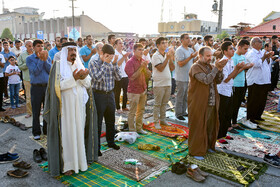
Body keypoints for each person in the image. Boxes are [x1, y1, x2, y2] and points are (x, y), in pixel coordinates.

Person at [44, 42, 98, 176]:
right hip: (65, 109)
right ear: (64, 52)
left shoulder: (79, 64)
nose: (73, 52)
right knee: (68, 135)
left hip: (79, 107)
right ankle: (67, 165)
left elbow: (88, 84)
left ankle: (80, 163)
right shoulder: (57, 67)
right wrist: (73, 78)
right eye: (70, 50)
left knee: (79, 132)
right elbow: (57, 87)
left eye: (75, 50)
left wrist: (83, 77)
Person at [188, 46, 225, 160]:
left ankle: (207, 146)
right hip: (199, 102)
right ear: (200, 56)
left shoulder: (210, 66)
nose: (210, 58)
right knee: (199, 126)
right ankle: (197, 151)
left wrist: (220, 69)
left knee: (210, 126)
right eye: (207, 56)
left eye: (211, 56)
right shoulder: (195, 67)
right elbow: (206, 80)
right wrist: (215, 68)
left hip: (211, 102)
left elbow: (218, 80)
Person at [89, 44, 121, 156]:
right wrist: (106, 64)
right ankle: (96, 148)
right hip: (99, 95)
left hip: (110, 94)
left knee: (111, 121)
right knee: (97, 123)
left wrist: (115, 64)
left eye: (112, 56)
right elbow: (97, 78)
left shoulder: (111, 62)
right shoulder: (94, 62)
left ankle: (111, 142)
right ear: (102, 53)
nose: (110, 58)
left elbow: (118, 77)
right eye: (108, 56)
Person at [217, 41, 246, 144]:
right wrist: (238, 68)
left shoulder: (231, 61)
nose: (233, 50)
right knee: (221, 114)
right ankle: (218, 135)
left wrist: (239, 68)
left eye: (233, 48)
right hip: (222, 91)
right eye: (230, 49)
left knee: (228, 114)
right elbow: (225, 79)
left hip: (229, 90)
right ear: (225, 51)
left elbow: (232, 76)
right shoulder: (222, 62)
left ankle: (224, 134)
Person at [26, 40, 52, 140]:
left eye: (42, 46)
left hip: (46, 87)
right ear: (33, 47)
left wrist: (45, 60)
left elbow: (50, 70)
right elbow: (35, 72)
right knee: (36, 111)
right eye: (38, 46)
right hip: (36, 87)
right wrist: (41, 60)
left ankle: (46, 130)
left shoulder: (47, 57)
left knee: (47, 110)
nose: (40, 48)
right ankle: (36, 132)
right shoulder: (30, 59)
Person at [246, 37, 274, 124]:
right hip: (255, 80)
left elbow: (266, 64)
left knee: (262, 100)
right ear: (254, 43)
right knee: (254, 100)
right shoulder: (251, 53)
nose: (261, 43)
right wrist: (264, 57)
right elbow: (256, 64)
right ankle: (251, 118)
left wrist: (268, 57)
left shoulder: (261, 52)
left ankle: (258, 115)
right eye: (259, 42)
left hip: (264, 80)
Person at [125, 43, 151, 134]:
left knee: (141, 110)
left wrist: (146, 69)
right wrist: (141, 67)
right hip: (134, 91)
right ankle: (132, 131)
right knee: (132, 111)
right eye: (139, 49)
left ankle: (139, 128)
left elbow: (148, 75)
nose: (141, 51)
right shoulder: (130, 62)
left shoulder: (143, 60)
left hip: (142, 89)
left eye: (142, 49)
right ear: (134, 51)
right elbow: (132, 77)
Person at [151, 37, 175, 129]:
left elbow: (172, 68)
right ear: (158, 45)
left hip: (167, 83)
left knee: (164, 103)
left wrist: (171, 58)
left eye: (166, 43)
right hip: (159, 84)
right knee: (157, 104)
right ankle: (156, 121)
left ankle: (163, 120)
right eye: (163, 43)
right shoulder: (155, 55)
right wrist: (167, 58)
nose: (165, 44)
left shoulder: (166, 55)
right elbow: (160, 68)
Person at [231, 40, 254, 129]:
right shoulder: (234, 57)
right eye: (245, 49)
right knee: (233, 105)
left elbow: (243, 70)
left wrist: (247, 67)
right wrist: (244, 67)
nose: (246, 51)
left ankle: (234, 122)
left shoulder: (243, 57)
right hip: (235, 84)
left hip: (242, 83)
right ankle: (231, 123)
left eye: (247, 49)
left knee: (237, 105)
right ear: (239, 47)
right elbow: (234, 73)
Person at [175, 34, 197, 120]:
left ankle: (183, 111)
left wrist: (196, 58)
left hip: (189, 77)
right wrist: (190, 57)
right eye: (187, 38)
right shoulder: (179, 50)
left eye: (189, 38)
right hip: (181, 77)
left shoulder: (190, 49)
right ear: (182, 40)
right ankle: (178, 113)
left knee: (186, 96)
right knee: (180, 96)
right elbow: (180, 63)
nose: (189, 40)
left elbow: (192, 62)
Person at [18, 40, 34, 118]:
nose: (31, 48)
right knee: (28, 96)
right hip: (27, 78)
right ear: (26, 46)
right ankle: (29, 112)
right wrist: (27, 63)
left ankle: (37, 111)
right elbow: (20, 66)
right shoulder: (22, 55)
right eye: (29, 46)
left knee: (37, 96)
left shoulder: (36, 54)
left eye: (32, 46)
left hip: (37, 78)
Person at [114, 38, 130, 113]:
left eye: (122, 43)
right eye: (120, 43)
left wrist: (126, 57)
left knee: (126, 91)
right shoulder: (114, 53)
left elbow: (127, 63)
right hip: (118, 75)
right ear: (116, 45)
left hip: (125, 75)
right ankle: (117, 107)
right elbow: (117, 64)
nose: (121, 45)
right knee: (117, 92)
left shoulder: (124, 52)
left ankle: (124, 106)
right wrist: (123, 57)